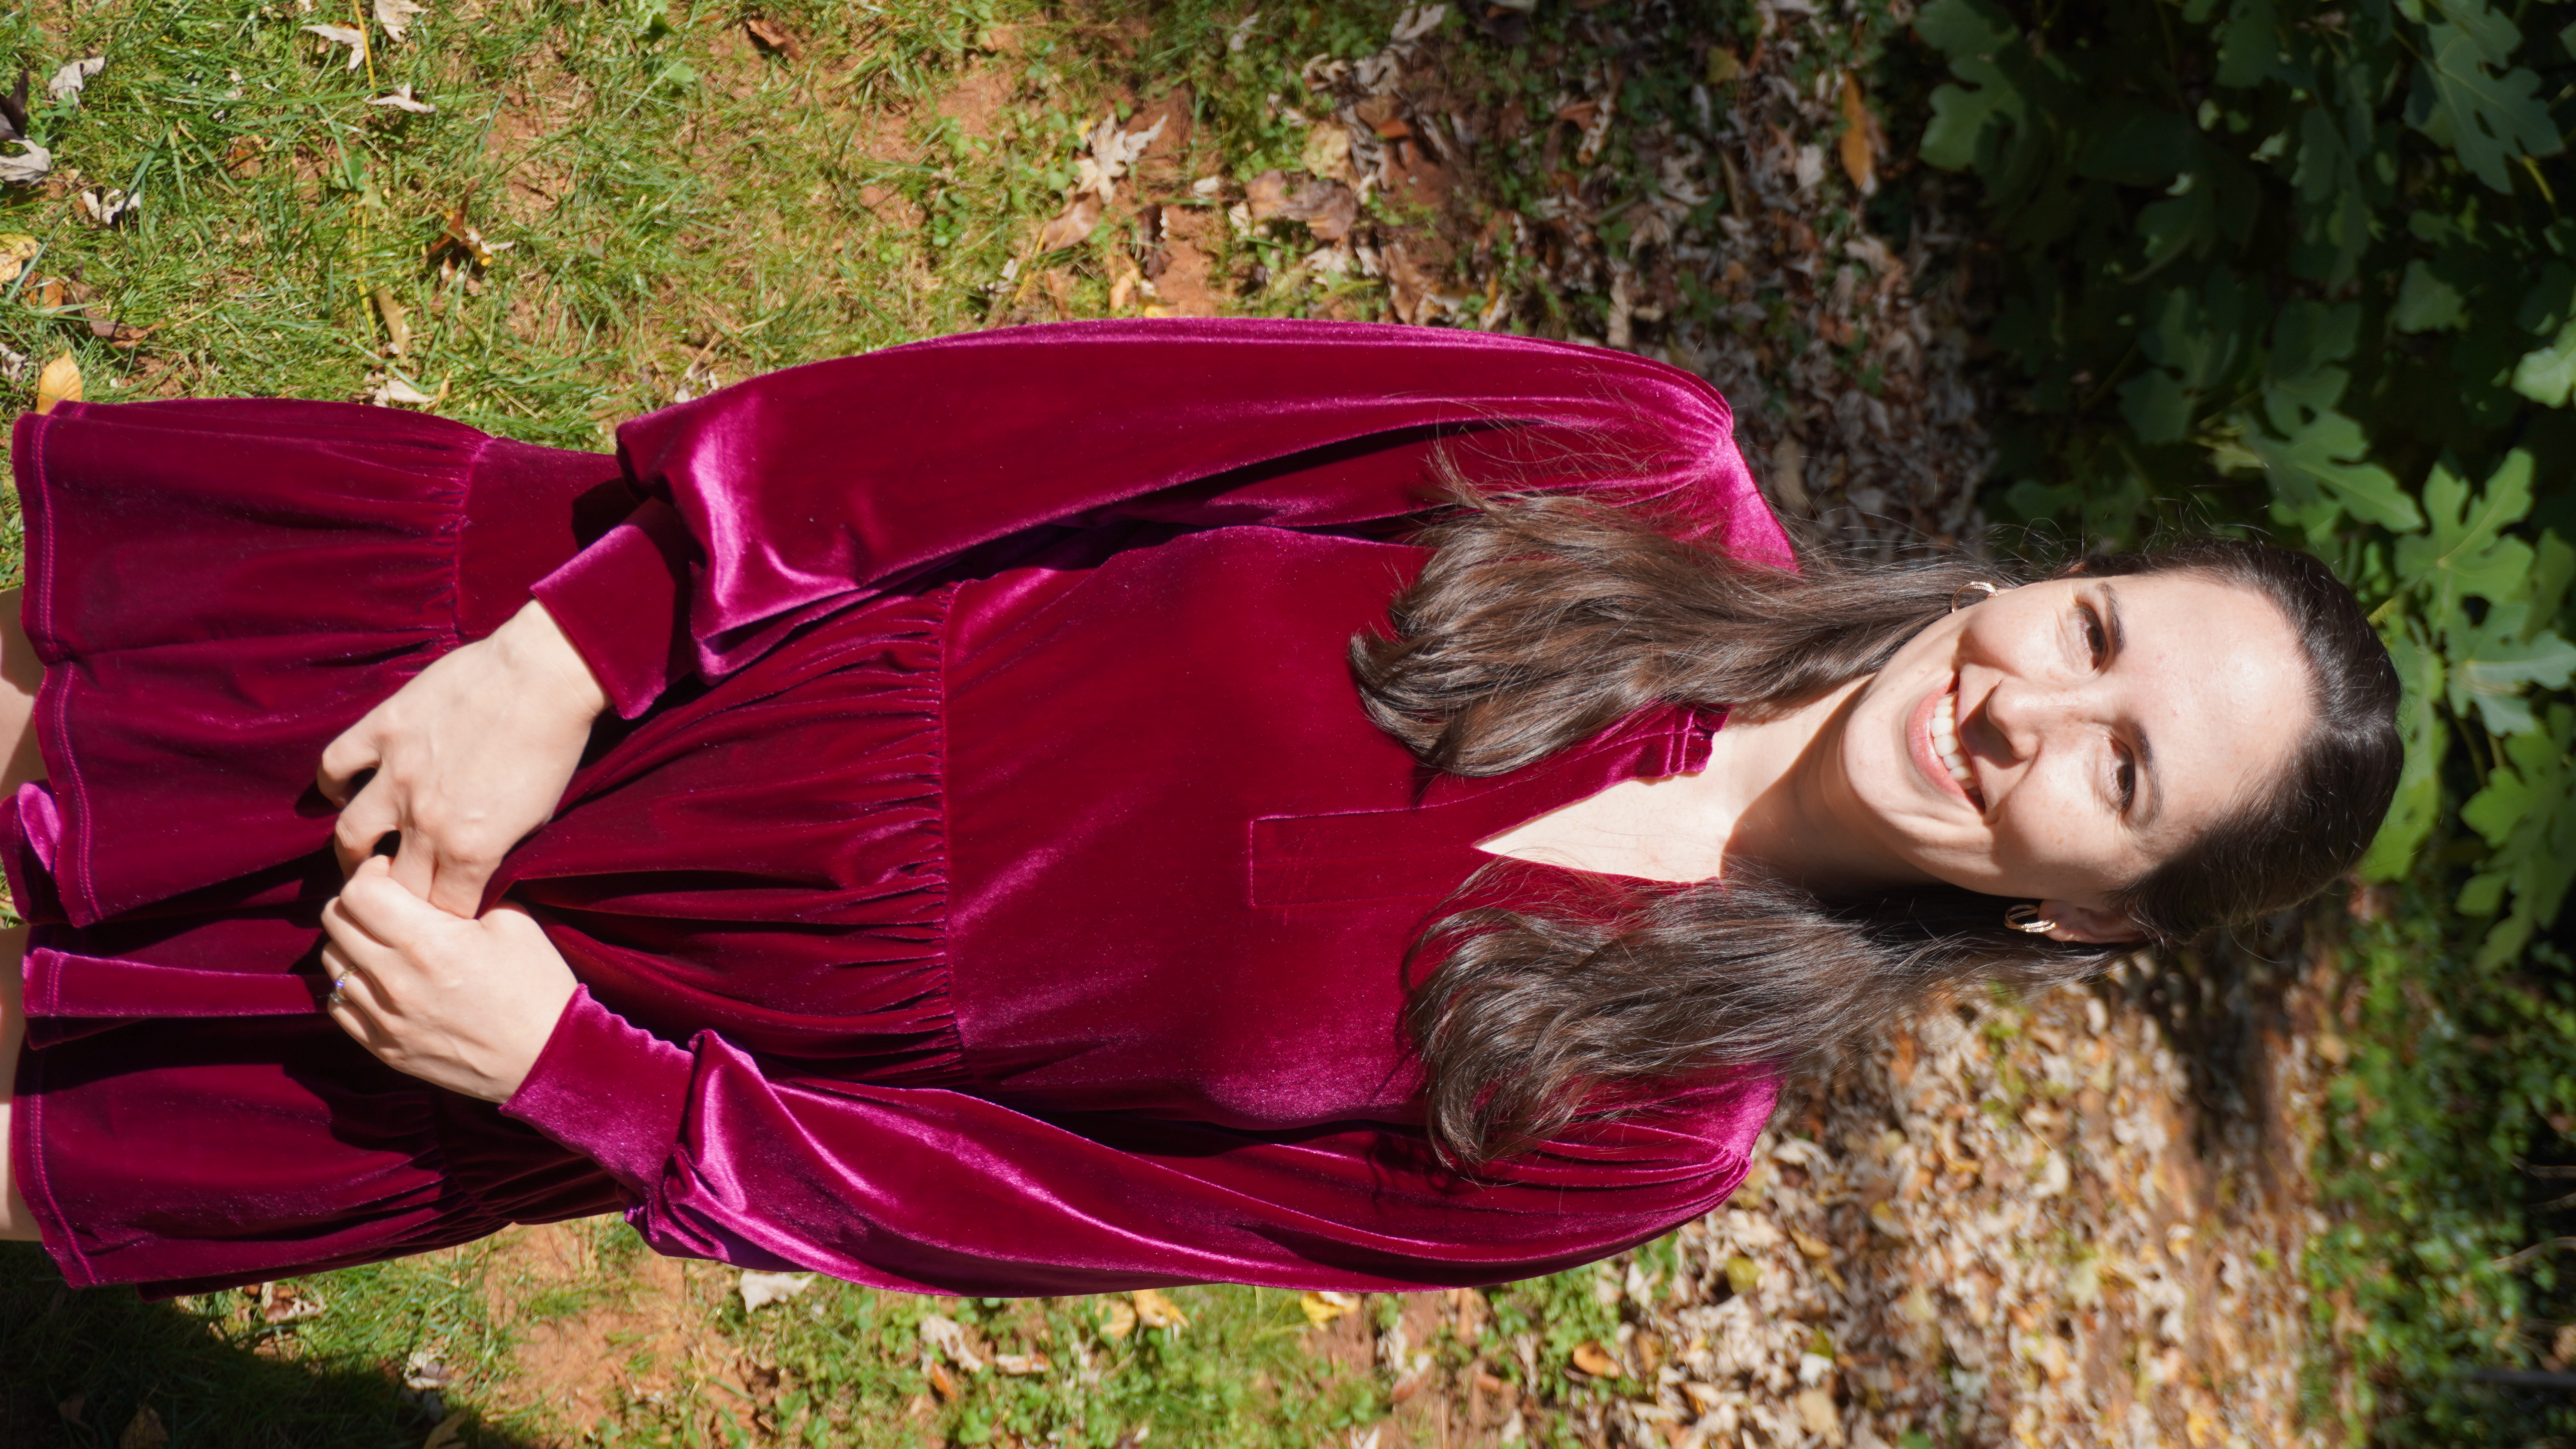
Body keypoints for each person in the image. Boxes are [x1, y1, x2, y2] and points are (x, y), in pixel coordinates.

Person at [0, 319, 2400, 1299]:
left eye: (2121, 769)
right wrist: (569, 648)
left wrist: (572, 1078)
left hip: (577, 1022)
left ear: (2101, 917)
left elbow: (1055, 1204)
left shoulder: (1647, 1129)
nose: (2027, 707)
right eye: (2093, 630)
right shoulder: (1633, 469)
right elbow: (1023, 432)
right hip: (619, 677)